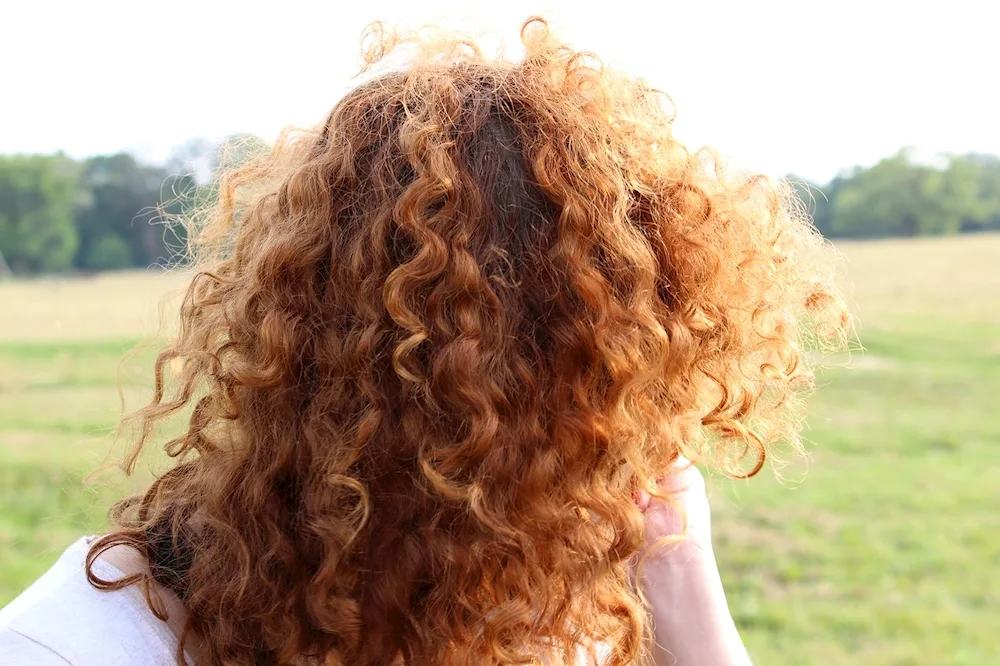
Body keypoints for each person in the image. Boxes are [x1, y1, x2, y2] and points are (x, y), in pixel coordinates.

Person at [0, 17, 848, 666]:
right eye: (595, 409)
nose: (623, 461)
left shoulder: (555, 620)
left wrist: (687, 594)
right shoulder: (75, 647)